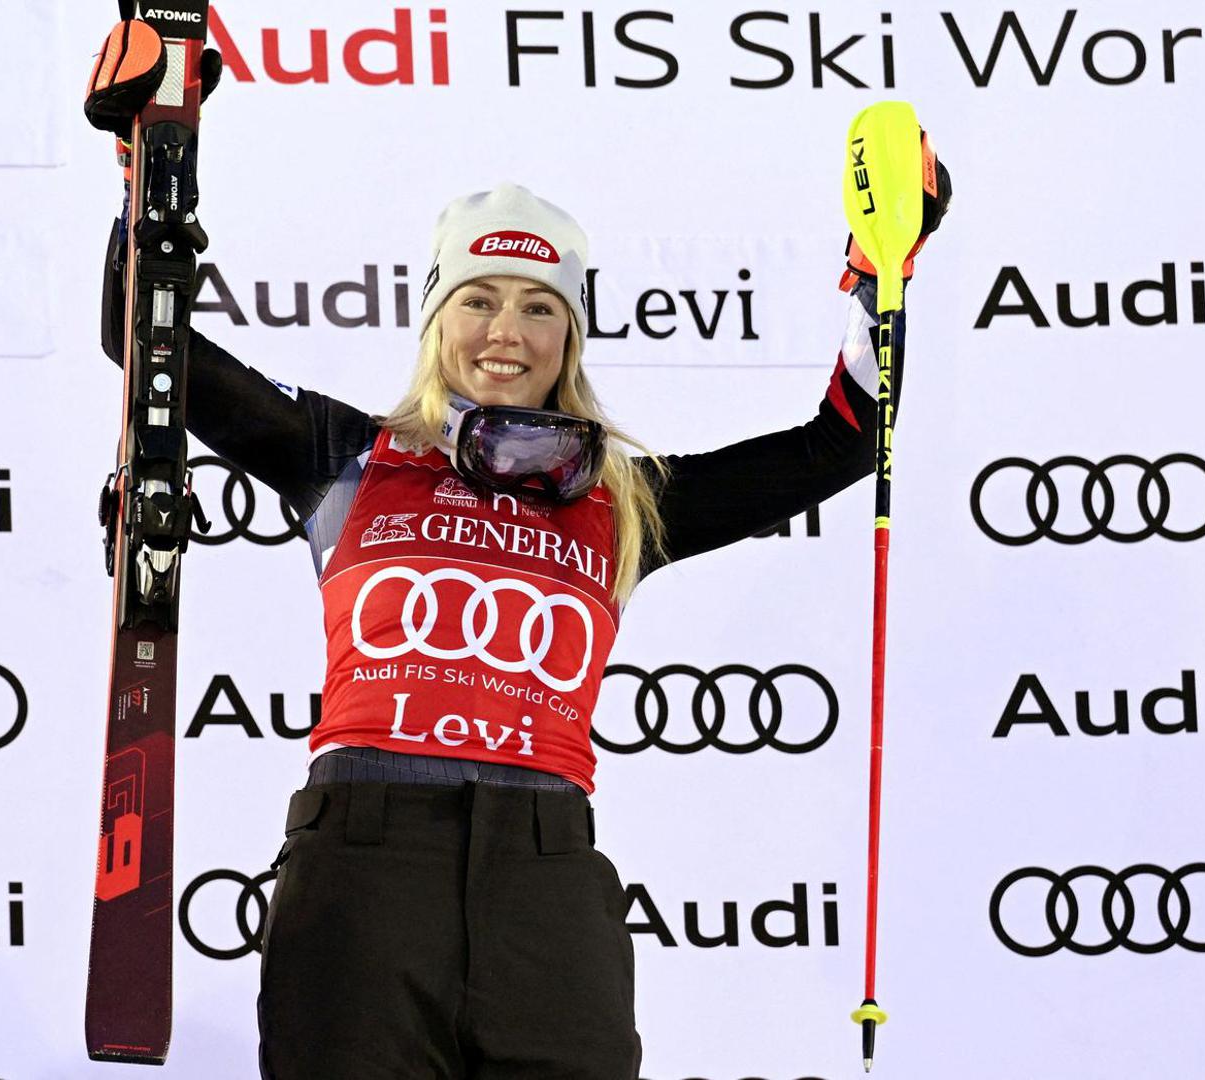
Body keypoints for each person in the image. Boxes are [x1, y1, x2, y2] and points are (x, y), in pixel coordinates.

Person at [88, 20, 950, 1080]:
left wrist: (878, 278)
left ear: (569, 335)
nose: (507, 330)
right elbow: (144, 339)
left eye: (540, 307)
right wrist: (147, 168)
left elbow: (842, 443)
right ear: (434, 318)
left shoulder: (621, 499)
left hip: (545, 878)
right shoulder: (346, 456)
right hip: (362, 865)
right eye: (479, 299)